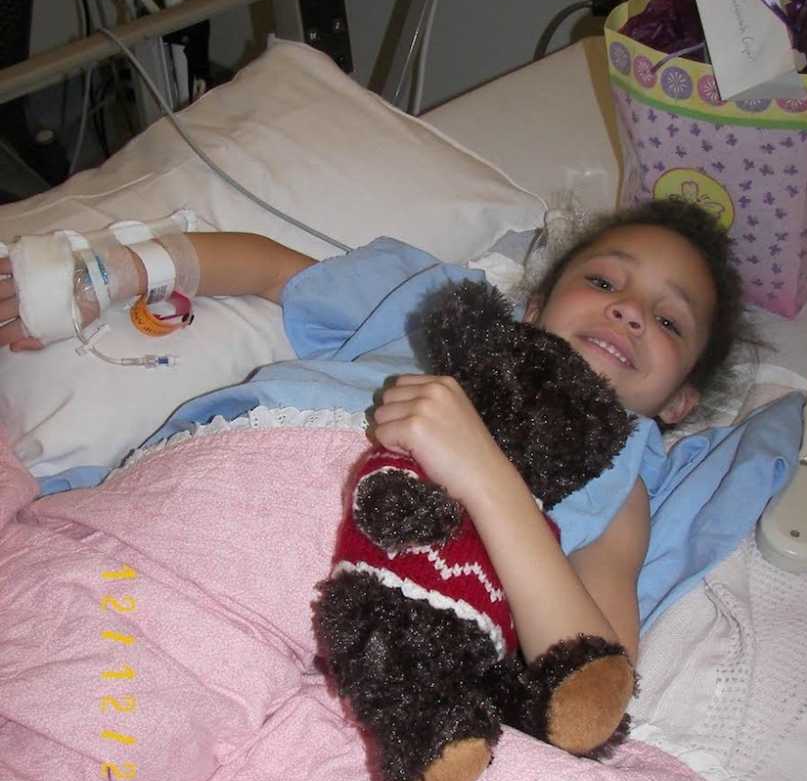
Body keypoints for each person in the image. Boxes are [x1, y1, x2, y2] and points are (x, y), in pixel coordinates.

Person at [0, 199, 754, 685]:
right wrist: (109, 272)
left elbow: (595, 673)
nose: (628, 312)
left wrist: (485, 476)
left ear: (680, 401)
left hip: (276, 619)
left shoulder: (617, 481)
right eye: (604, 280)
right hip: (183, 494)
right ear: (531, 306)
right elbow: (268, 268)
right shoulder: (444, 318)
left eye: (668, 320)